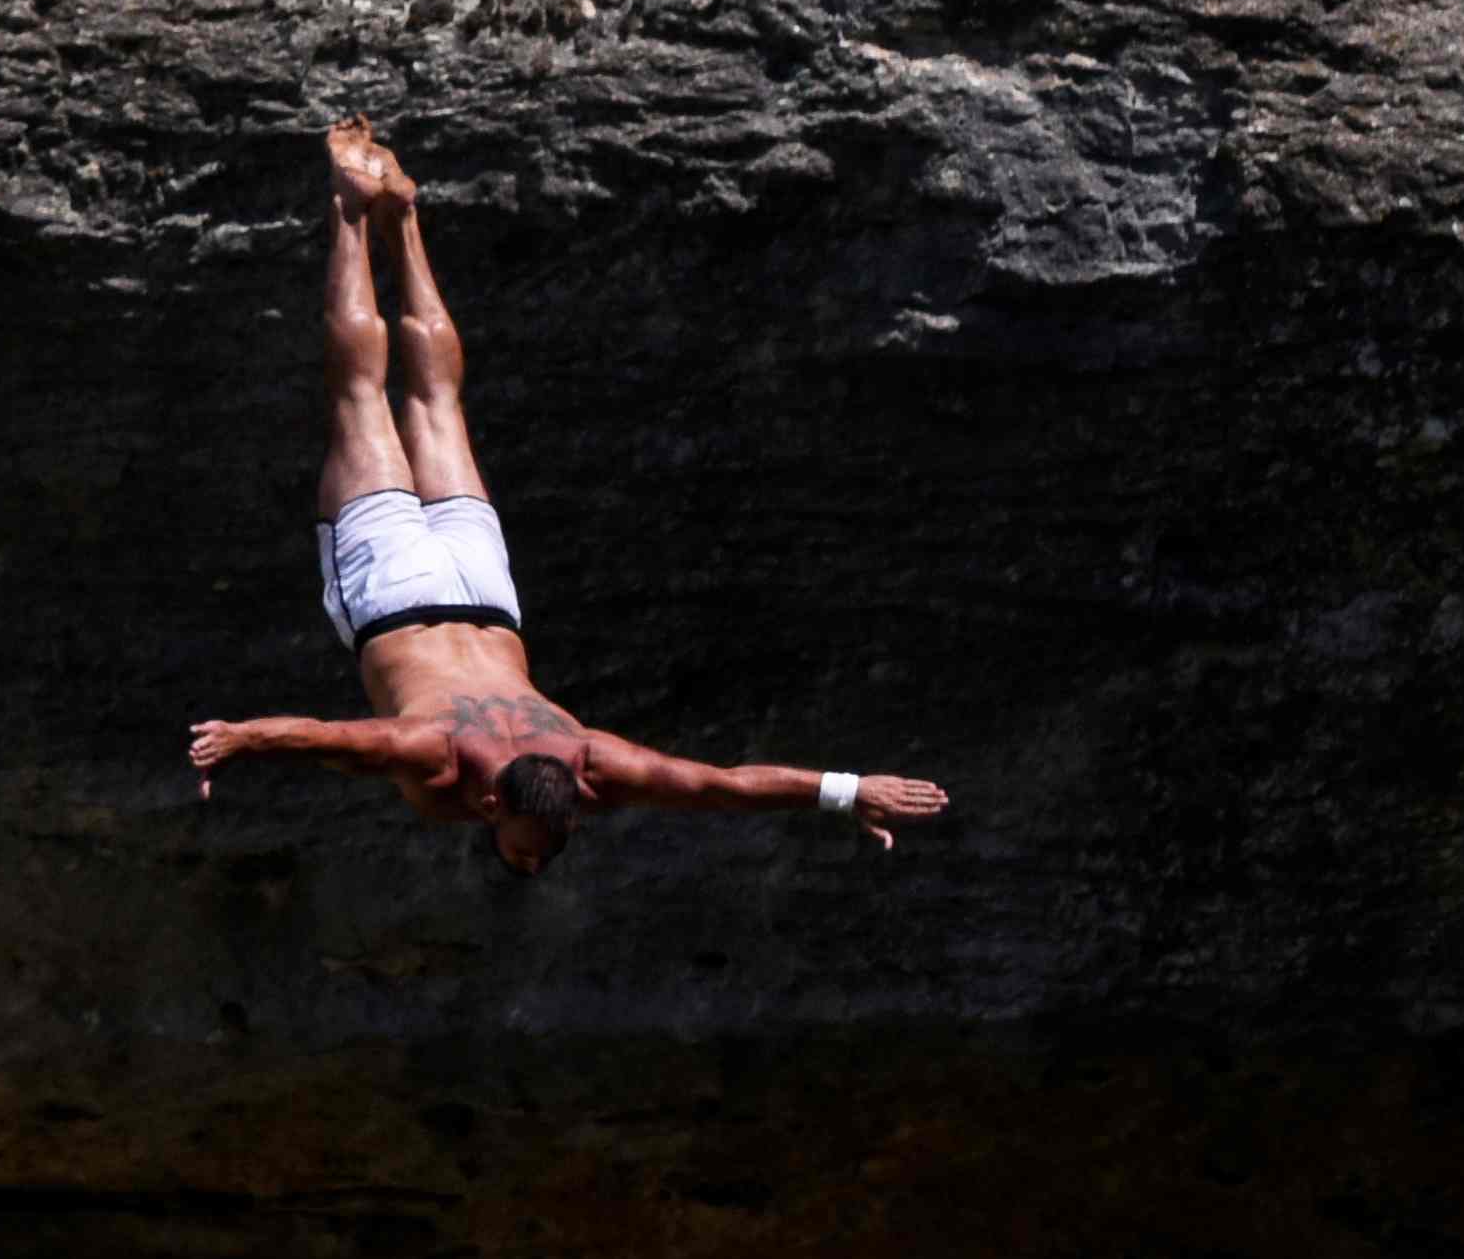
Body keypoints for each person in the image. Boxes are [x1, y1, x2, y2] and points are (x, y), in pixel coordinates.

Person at [193, 120, 949, 873]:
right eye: (530, 849)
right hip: (396, 595)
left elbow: (722, 787)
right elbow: (329, 740)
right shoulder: (438, 755)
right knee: (361, 397)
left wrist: (851, 791)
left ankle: (407, 214)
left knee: (437, 403)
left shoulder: (590, 762)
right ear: (493, 805)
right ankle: (356, 209)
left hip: (486, 590)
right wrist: (240, 738)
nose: (534, 864)